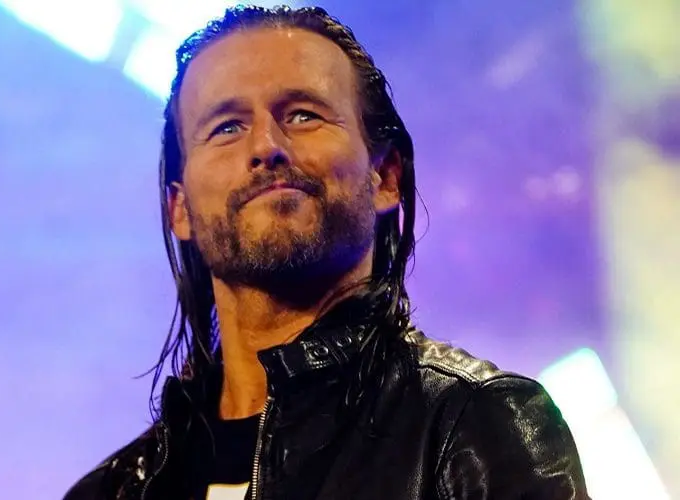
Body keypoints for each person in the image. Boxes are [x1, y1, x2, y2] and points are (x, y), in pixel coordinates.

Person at [63, 5, 589, 500]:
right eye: (227, 127)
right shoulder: (114, 491)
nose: (265, 146)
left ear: (385, 176)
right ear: (179, 209)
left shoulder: (475, 427)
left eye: (302, 115)